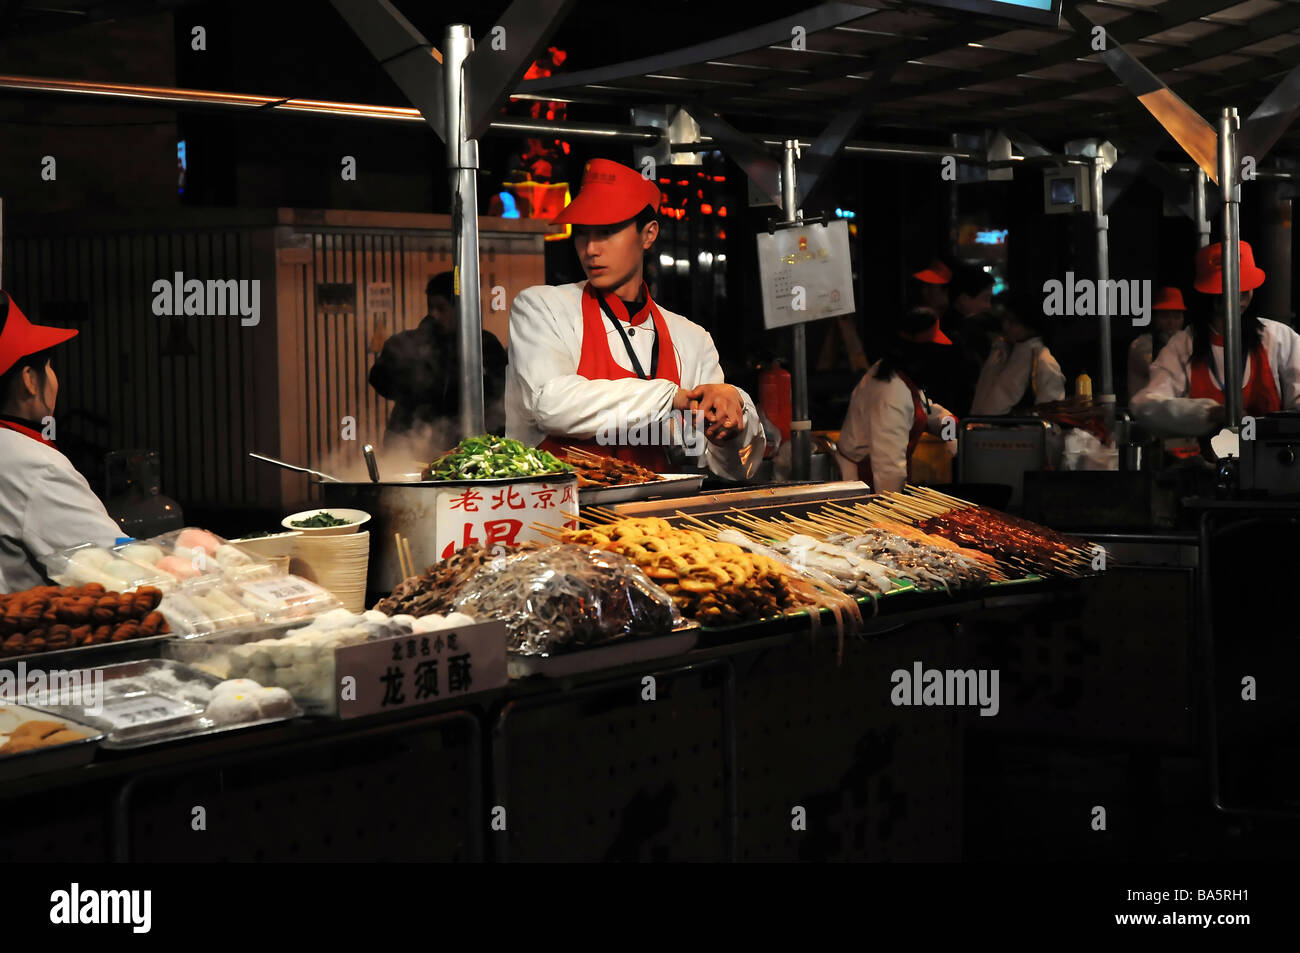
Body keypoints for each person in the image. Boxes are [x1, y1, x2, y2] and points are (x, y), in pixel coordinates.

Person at [505, 158, 764, 479]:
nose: (591, 248)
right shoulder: (543, 307)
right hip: (562, 518)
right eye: (582, 234)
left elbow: (737, 469)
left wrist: (734, 421)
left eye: (607, 232)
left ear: (649, 234)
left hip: (658, 520)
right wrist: (673, 397)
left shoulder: (691, 339)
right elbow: (552, 406)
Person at [0, 292, 122, 593]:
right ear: (29, 380)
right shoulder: (33, 465)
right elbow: (117, 567)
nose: (55, 379)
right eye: (50, 367)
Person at [1132, 241, 1300, 435]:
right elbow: (1145, 405)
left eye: (1245, 290)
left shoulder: (1280, 338)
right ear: (1209, 295)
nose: (1240, 299)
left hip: (1269, 458)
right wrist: (1208, 412)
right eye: (1229, 293)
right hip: (1204, 461)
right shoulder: (1183, 345)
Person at [368, 272, 508, 455]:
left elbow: (499, 395)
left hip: (465, 447)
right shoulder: (410, 342)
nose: (434, 314)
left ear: (461, 309)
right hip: (410, 442)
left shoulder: (484, 345)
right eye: (430, 307)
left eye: (441, 308)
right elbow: (379, 380)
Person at [835, 307, 957, 492]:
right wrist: (892, 507)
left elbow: (925, 411)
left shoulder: (898, 373)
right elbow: (888, 467)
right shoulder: (891, 390)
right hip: (867, 486)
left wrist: (951, 430)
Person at [970, 295, 1066, 416]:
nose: (1005, 326)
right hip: (979, 427)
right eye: (1005, 319)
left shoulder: (1042, 361)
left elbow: (1049, 414)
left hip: (1014, 432)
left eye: (1013, 322)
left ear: (1030, 327)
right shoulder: (1000, 350)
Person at [1126, 286, 1186, 400]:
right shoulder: (1141, 344)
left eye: (1177, 317)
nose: (1171, 323)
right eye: (1165, 317)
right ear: (1155, 318)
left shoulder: (1184, 341)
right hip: (1146, 413)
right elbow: (1163, 370)